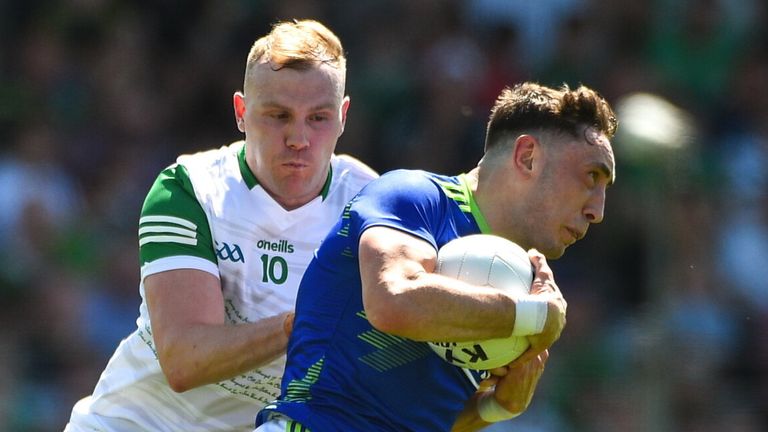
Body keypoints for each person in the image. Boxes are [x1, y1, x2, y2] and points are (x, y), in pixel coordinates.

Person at [65, 19, 377, 431]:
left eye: (317, 118)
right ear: (242, 112)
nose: (298, 138)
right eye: (278, 115)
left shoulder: (371, 207)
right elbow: (185, 359)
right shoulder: (189, 189)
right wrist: (308, 320)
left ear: (343, 116)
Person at [255, 82, 618, 431]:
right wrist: (534, 314)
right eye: (590, 176)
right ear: (527, 157)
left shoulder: (516, 283)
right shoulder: (416, 198)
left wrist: (496, 406)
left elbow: (411, 419)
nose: (598, 211)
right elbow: (393, 299)